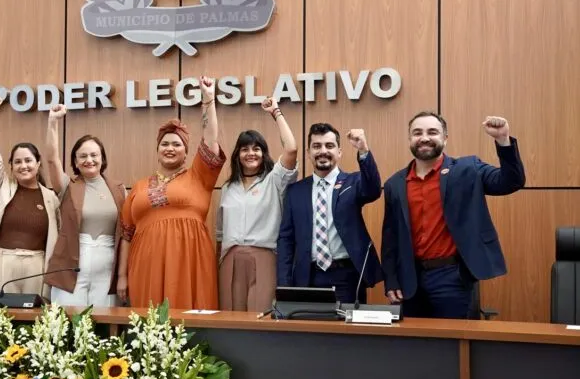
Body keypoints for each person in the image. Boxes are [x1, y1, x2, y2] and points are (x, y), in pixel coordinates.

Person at [381, 112, 525, 319]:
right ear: (410, 139)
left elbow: (511, 182)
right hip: (410, 280)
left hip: (452, 276)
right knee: (414, 339)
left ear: (445, 138)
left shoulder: (468, 169)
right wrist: (391, 279)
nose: (424, 138)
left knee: (454, 339)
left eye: (432, 132)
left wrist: (503, 140)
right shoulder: (394, 184)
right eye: (417, 133)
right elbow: (390, 238)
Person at [118, 76, 226, 310]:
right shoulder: (138, 187)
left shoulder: (199, 176)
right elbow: (126, 235)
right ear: (157, 150)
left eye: (177, 144)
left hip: (190, 264)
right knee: (149, 323)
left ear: (186, 152)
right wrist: (121, 276)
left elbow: (210, 139)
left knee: (190, 321)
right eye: (165, 144)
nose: (170, 148)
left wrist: (208, 100)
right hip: (146, 267)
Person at [276, 123, 383, 304]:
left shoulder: (353, 182)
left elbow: (373, 189)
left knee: (346, 322)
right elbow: (286, 240)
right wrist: (284, 285)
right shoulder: (295, 191)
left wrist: (363, 149)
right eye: (317, 146)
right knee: (308, 323)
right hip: (307, 277)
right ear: (308, 152)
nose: (323, 151)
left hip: (346, 277)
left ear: (339, 152)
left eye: (329, 145)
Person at [0, 95, 60, 298]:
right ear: (11, 166)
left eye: (28, 160)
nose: (23, 166)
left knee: (35, 316)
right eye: (17, 162)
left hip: (37, 266)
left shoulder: (51, 198)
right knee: (1, 316)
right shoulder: (3, 188)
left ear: (38, 163)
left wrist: (53, 122)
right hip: (3, 263)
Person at [216, 97, 298, 311]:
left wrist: (276, 113)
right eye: (244, 149)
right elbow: (219, 234)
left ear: (263, 154)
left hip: (264, 257)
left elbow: (291, 149)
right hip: (230, 260)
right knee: (229, 317)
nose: (250, 153)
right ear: (237, 155)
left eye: (256, 149)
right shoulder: (227, 188)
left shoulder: (275, 180)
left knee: (260, 315)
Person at [43, 104, 126, 307]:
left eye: (94, 155)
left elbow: (126, 233)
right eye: (83, 156)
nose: (89, 160)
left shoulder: (119, 189)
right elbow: (52, 160)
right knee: (68, 319)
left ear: (102, 158)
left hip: (107, 267)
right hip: (72, 265)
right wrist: (53, 122)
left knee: (103, 321)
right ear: (75, 161)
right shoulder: (67, 186)